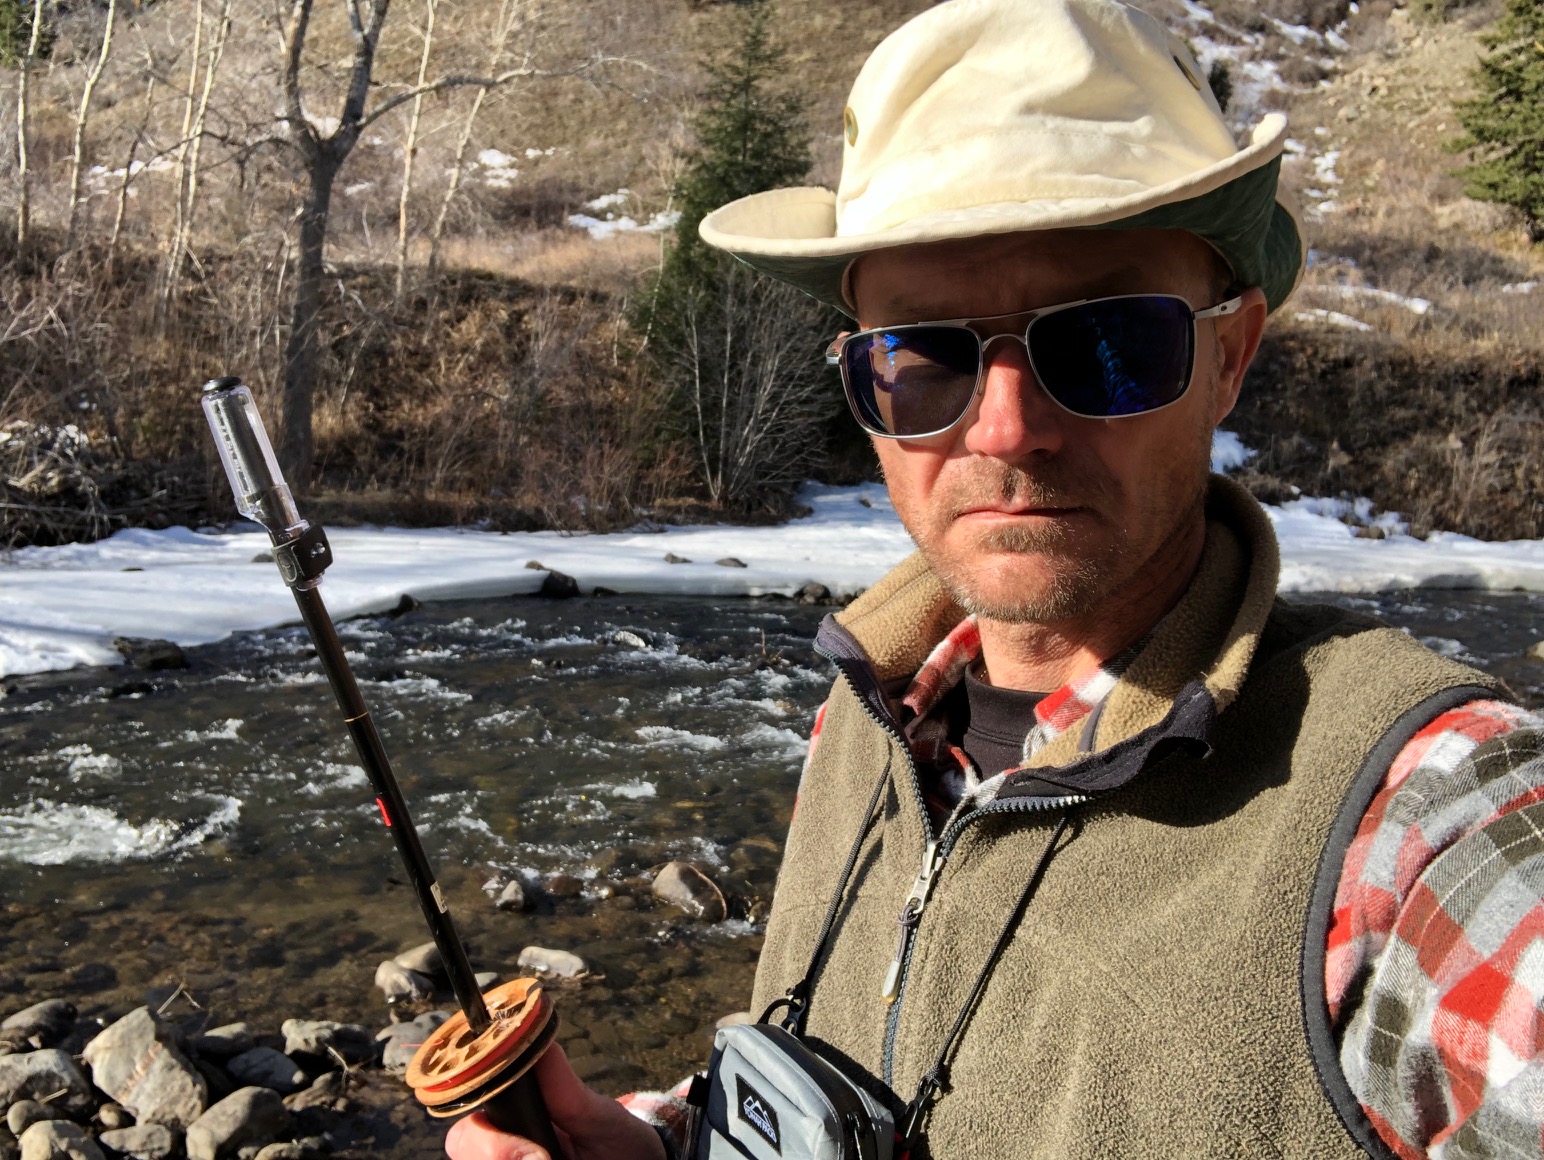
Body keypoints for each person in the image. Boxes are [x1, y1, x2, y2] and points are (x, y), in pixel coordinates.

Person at [449, 1, 1544, 1157]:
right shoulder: (867, 716)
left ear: (1227, 357)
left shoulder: (1419, 815)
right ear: (860, 385)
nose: (1008, 426)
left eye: (1108, 343)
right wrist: (665, 1141)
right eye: (921, 357)